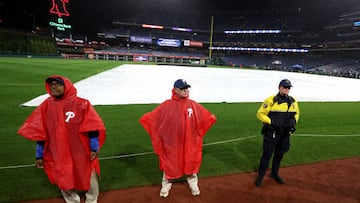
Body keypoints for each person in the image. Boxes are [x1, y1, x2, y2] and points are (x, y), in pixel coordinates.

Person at [18, 75, 106, 203]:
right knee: (62, 173)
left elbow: (92, 126)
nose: (54, 87)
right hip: (57, 148)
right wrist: (39, 154)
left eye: (58, 84)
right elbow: (40, 131)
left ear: (67, 86)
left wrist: (93, 147)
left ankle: (92, 200)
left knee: (87, 172)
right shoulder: (46, 105)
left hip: (80, 148)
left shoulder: (81, 103)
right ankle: (72, 200)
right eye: (52, 84)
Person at [139, 79, 217, 198]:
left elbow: (204, 118)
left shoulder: (192, 104)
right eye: (183, 88)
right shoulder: (167, 105)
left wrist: (210, 118)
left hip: (190, 142)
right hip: (173, 142)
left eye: (187, 88)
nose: (186, 90)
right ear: (176, 90)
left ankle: (193, 183)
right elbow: (154, 119)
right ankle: (166, 184)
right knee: (170, 163)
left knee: (191, 161)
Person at [255, 79, 300, 187]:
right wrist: (272, 122)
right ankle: (260, 177)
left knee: (279, 155)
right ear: (279, 87)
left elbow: (297, 113)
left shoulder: (293, 101)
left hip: (285, 134)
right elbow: (260, 114)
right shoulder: (271, 100)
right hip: (272, 133)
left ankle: (274, 174)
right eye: (284, 87)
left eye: (288, 87)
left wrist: (294, 122)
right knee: (267, 155)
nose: (286, 89)